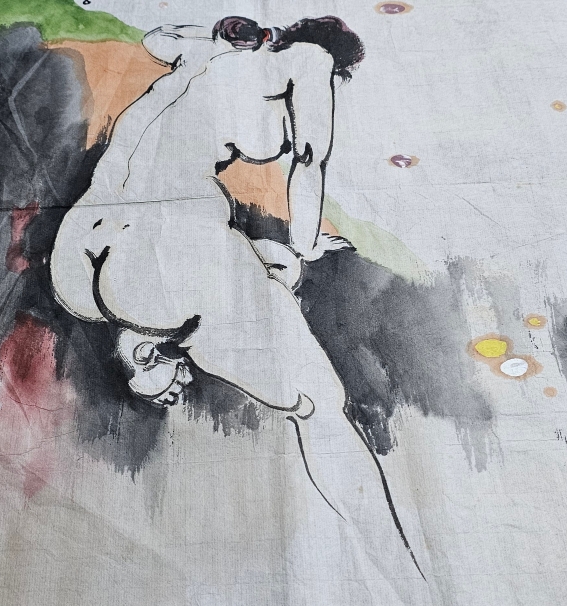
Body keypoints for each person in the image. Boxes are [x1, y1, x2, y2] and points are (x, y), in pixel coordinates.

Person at [50, 16, 425, 578]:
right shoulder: (311, 63)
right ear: (336, 61)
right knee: (320, 405)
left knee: (260, 264)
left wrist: (225, 35)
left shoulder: (207, 53)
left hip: (79, 252)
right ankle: (402, 575)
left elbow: (155, 39)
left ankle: (143, 341)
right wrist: (304, 245)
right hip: (165, 244)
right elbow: (309, 163)